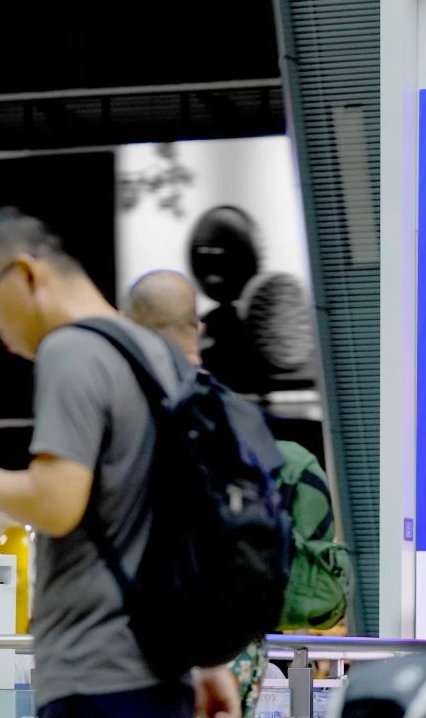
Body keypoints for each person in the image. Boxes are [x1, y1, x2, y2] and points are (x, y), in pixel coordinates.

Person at [0, 208, 240, 718]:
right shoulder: (158, 356)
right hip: (164, 668)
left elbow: (56, 504)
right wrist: (209, 663)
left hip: (94, 672)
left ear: (26, 273)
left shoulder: (71, 350)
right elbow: (189, 521)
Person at [124, 269, 330, 718]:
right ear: (196, 328)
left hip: (155, 644)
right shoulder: (235, 414)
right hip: (239, 640)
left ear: (131, 331)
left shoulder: (140, 410)